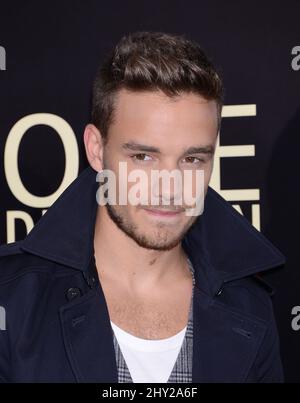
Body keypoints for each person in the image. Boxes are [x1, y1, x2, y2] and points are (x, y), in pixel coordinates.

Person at [0, 31, 285, 383]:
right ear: (96, 149)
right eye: (143, 156)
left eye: (192, 159)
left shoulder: (250, 306)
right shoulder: (12, 302)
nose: (170, 189)